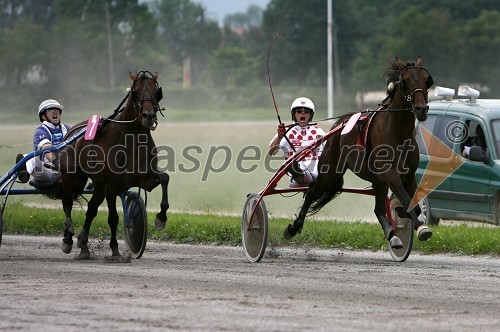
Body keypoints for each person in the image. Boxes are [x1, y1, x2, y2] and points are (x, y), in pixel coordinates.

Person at [268, 97, 326, 187]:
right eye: (299, 111)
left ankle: (307, 175)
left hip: (317, 170)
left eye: (306, 111)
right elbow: (271, 152)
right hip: (296, 174)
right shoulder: (285, 131)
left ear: (310, 115)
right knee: (294, 165)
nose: (303, 113)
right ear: (294, 114)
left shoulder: (319, 132)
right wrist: (280, 137)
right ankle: (298, 172)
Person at [16, 99, 70, 187]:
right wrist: (57, 163)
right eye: (51, 110)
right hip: (46, 170)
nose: (55, 112)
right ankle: (24, 173)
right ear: (44, 116)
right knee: (29, 157)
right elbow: (47, 149)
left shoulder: (66, 128)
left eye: (57, 110)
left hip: (66, 169)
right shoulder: (41, 130)